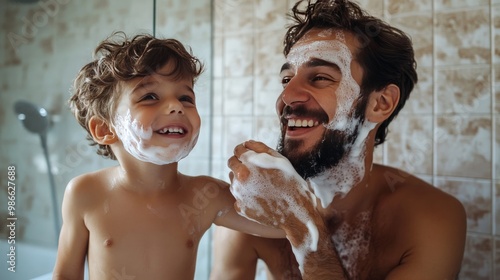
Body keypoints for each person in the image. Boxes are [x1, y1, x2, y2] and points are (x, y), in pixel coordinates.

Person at [210, 0, 467, 279]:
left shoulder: (431, 218)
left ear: (380, 104)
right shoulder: (255, 205)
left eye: (320, 77)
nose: (286, 97)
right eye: (286, 80)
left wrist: (299, 224)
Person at [52, 32, 283, 280]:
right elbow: (65, 276)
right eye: (150, 97)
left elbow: (285, 227)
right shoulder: (86, 193)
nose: (176, 106)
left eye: (186, 97)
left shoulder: (205, 196)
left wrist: (279, 182)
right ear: (105, 129)